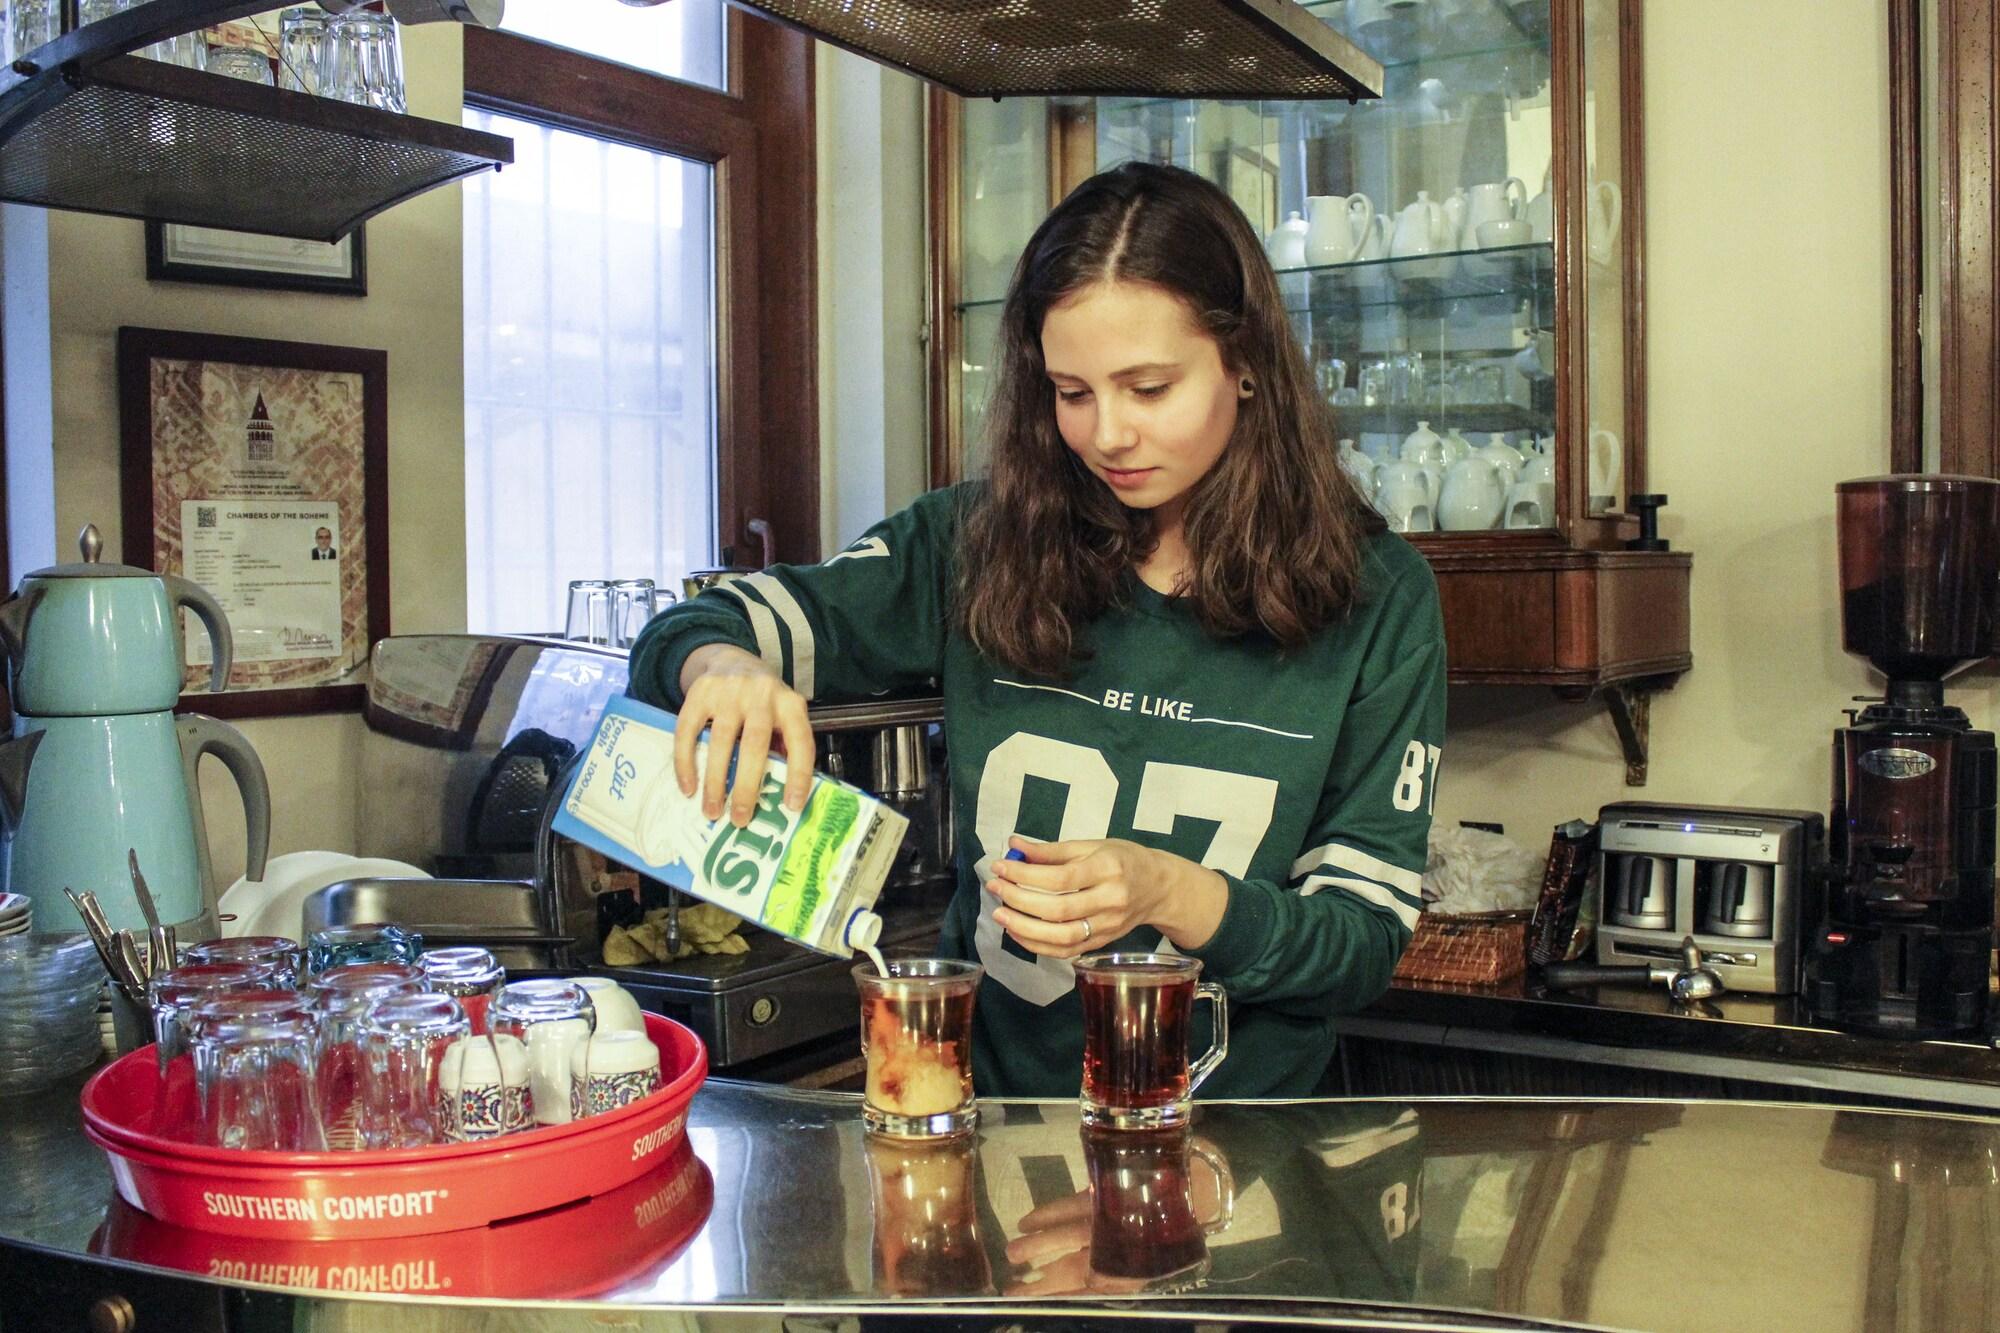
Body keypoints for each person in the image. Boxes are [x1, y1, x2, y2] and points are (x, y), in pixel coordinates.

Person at [628, 160, 1446, 1098]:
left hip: (1240, 1161)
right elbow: (689, 629)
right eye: (1072, 392)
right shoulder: (971, 543)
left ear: (1247, 365)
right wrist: (721, 664)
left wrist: (1166, 891)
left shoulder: (1377, 596)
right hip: (991, 1131)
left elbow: (1361, 943)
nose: (1108, 436)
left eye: (1148, 388)